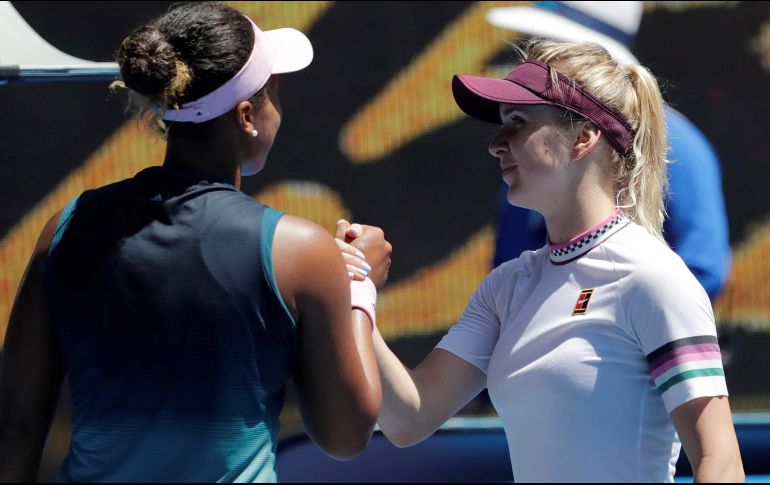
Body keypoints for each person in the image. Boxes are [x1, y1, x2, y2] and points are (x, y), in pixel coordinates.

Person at [0, 3, 390, 482]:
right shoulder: (303, 251)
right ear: (247, 115)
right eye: (274, 95)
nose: (277, 112)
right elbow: (347, 437)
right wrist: (357, 285)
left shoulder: (67, 226)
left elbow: (16, 424)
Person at [339, 39, 744, 482]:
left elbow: (720, 463)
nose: (497, 144)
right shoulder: (505, 287)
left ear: (583, 137)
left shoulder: (654, 278)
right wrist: (356, 293)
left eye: (517, 123)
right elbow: (409, 419)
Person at [487, 1, 731, 300]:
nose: (526, 65)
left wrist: (599, 327)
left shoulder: (680, 145)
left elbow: (702, 269)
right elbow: (506, 268)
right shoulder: (525, 151)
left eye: (539, 45)